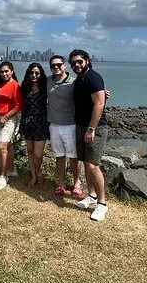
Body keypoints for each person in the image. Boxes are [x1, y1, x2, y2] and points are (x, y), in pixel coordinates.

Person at [70, 49, 109, 221]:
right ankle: (92, 196)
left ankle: (102, 204)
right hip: (80, 126)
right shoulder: (80, 79)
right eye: (73, 63)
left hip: (95, 128)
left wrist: (91, 129)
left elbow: (99, 105)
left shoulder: (94, 78)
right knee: (86, 163)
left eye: (80, 61)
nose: (76, 65)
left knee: (93, 165)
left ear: (87, 61)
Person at [46, 55, 84, 199]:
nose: (56, 67)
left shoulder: (74, 82)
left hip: (70, 125)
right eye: (53, 65)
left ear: (65, 65)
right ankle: (61, 183)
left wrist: (102, 93)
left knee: (74, 157)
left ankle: (77, 183)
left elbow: (88, 94)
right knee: (59, 156)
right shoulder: (48, 81)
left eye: (59, 64)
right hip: (54, 125)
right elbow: (32, 82)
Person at [19, 62, 49, 187]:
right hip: (27, 122)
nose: (34, 75)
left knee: (38, 154)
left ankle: (39, 172)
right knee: (30, 151)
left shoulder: (45, 86)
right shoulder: (24, 87)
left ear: (41, 74)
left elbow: (60, 91)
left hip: (41, 123)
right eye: (32, 72)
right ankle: (33, 176)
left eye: (37, 73)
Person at [0, 61, 22, 190]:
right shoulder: (1, 83)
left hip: (8, 119)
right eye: (2, 72)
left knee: (2, 146)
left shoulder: (15, 85)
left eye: (6, 71)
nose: (4, 73)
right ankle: (11, 170)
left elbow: (18, 106)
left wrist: (5, 118)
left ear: (12, 71)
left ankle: (3, 176)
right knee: (8, 145)